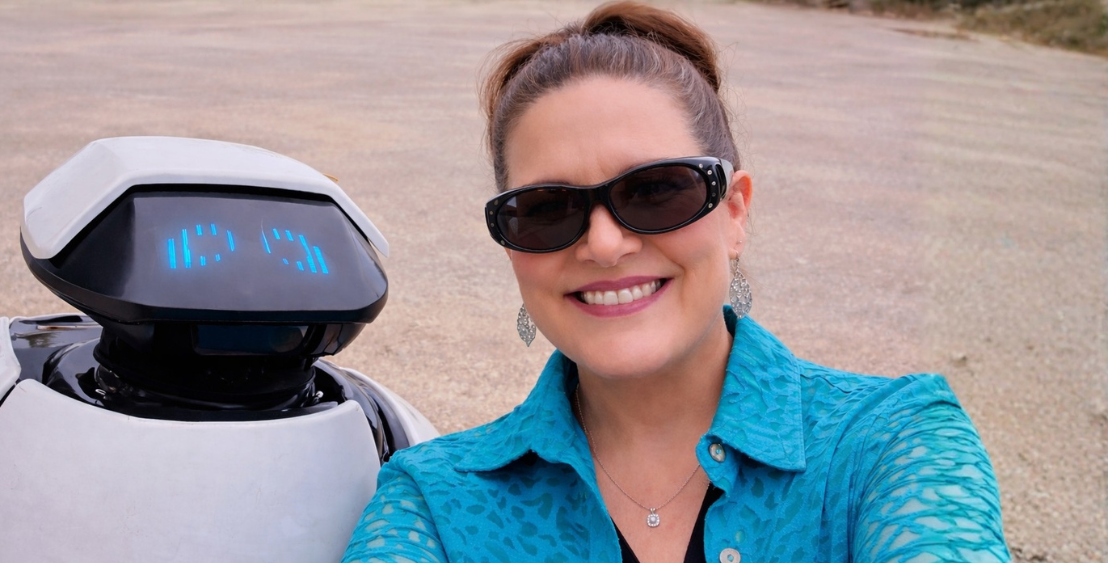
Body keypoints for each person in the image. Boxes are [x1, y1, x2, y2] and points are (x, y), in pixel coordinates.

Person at [342, 2, 1010, 561]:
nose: (603, 244)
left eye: (657, 190)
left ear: (735, 212)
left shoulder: (890, 447)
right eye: (547, 209)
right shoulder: (433, 501)